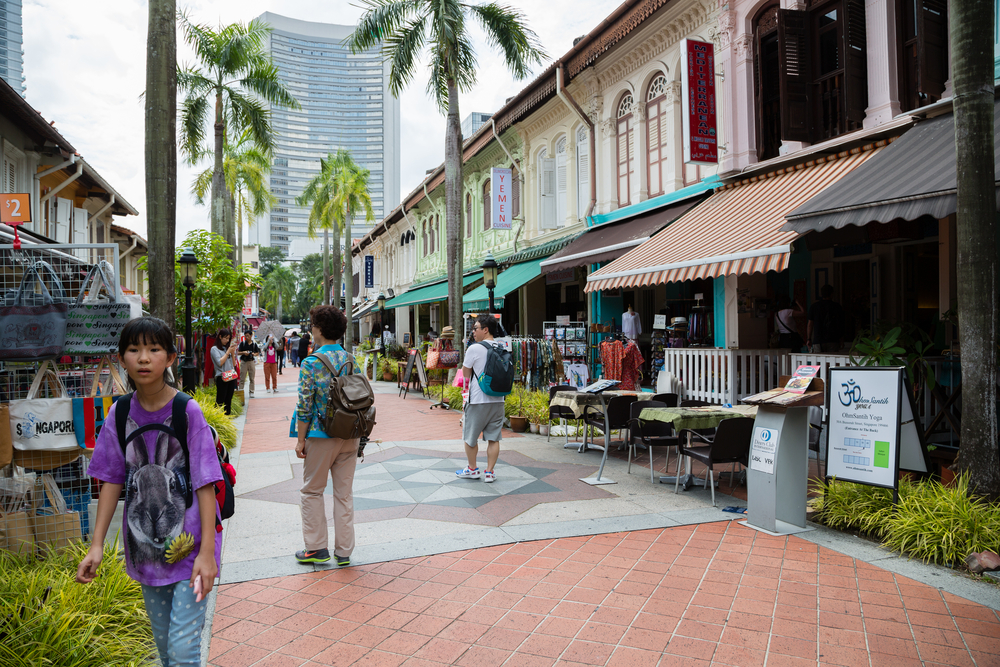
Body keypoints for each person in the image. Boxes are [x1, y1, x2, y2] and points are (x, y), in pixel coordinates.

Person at [77, 317, 221, 667]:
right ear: (122, 357)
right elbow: (112, 479)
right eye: (134, 349)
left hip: (192, 553)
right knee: (166, 649)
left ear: (170, 358)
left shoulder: (187, 411)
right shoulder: (119, 412)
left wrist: (206, 553)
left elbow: (204, 483)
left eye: (153, 349)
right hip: (145, 556)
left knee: (184, 648)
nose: (143, 358)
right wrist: (96, 545)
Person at [292, 306, 359, 566]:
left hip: (320, 436)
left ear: (318, 329)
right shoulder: (350, 359)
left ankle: (317, 548)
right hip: (349, 434)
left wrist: (300, 440)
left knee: (312, 491)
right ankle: (344, 552)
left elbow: (304, 405)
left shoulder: (311, 362)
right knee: (344, 494)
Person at [456, 313, 504, 483]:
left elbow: (466, 373)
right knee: (494, 437)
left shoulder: (474, 348)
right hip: (499, 399)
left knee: (470, 437)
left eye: (475, 328)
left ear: (485, 329)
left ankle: (472, 469)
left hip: (477, 399)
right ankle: (490, 472)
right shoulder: (502, 346)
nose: (473, 332)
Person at [807, 284, 845, 353]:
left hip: (818, 340)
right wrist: (841, 340)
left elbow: (810, 324)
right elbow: (840, 324)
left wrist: (809, 339)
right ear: (832, 294)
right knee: (832, 361)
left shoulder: (814, 307)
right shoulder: (837, 307)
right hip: (833, 339)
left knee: (818, 361)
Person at [211, 329, 238, 415]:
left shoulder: (227, 348)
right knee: (220, 400)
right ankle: (218, 419)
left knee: (228, 400)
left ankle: (227, 418)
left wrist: (232, 353)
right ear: (220, 337)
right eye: (225, 338)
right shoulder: (214, 349)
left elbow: (233, 364)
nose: (227, 340)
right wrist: (227, 352)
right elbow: (220, 363)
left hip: (230, 376)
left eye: (228, 339)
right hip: (221, 377)